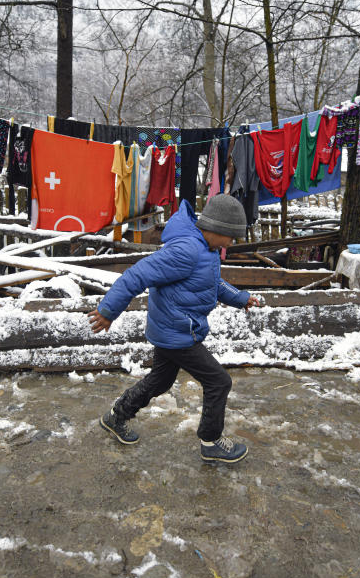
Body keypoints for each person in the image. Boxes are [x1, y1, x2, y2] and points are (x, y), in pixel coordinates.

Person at [87, 194, 260, 463]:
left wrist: (240, 298)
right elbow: (137, 275)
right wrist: (108, 311)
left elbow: (213, 283)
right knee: (218, 381)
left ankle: (116, 416)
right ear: (217, 229)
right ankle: (211, 441)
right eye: (231, 236)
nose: (231, 243)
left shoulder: (207, 250)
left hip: (172, 329)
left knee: (161, 380)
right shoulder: (186, 251)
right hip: (178, 333)